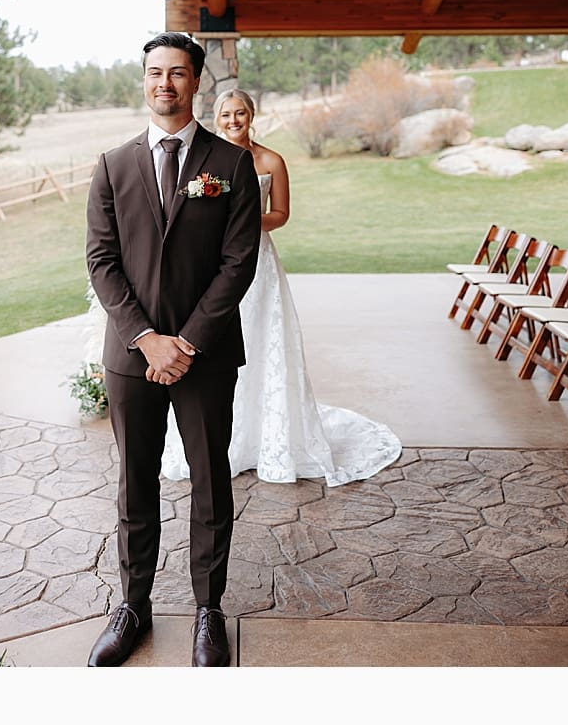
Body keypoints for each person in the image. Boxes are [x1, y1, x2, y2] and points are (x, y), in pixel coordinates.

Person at [84, 33, 261, 667]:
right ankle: (133, 605)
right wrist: (148, 339)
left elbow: (239, 262)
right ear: (144, 81)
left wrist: (185, 341)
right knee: (135, 482)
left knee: (212, 483)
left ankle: (209, 611)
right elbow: (102, 261)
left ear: (196, 82)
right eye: (155, 73)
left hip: (205, 355)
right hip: (132, 356)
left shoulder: (231, 166)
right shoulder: (112, 164)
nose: (165, 83)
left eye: (178, 73)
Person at [162, 91, 401, 488]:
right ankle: (218, 440)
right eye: (226, 114)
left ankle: (268, 439)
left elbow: (281, 214)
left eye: (240, 113)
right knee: (213, 343)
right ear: (216, 118)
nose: (233, 120)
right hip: (211, 265)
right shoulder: (205, 159)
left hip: (258, 262)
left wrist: (241, 221)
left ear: (252, 115)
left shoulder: (271, 160)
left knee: (262, 343)